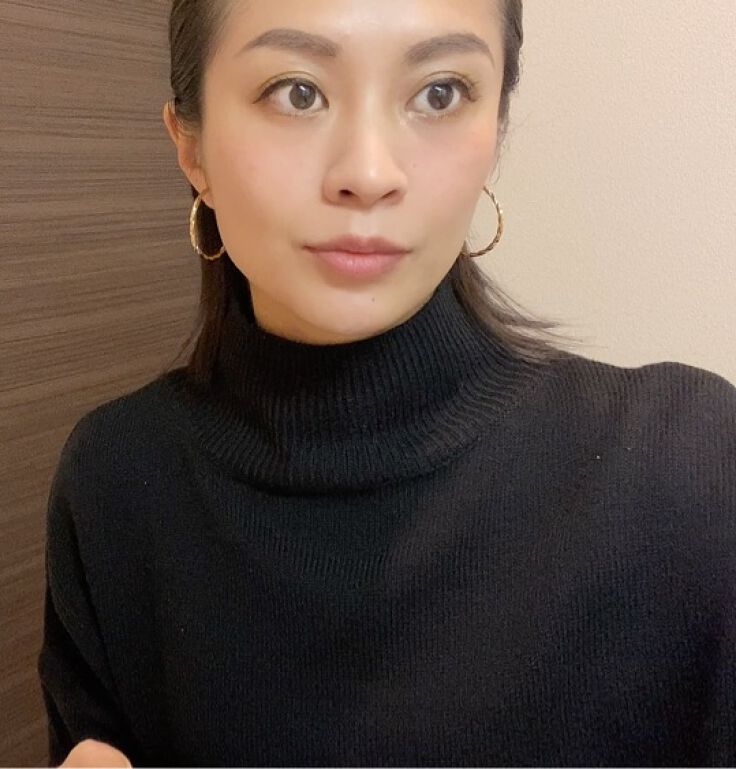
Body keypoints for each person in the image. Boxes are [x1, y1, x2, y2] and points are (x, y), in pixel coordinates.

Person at [38, 0, 736, 765]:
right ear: (190, 146)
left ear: (496, 129)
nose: (369, 174)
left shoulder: (689, 475)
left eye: (440, 93)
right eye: (297, 92)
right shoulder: (116, 481)